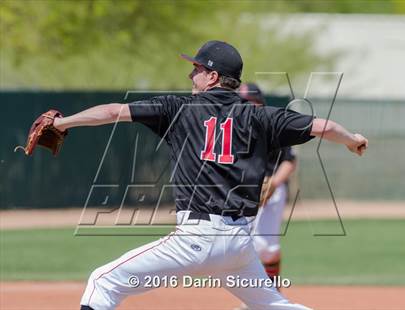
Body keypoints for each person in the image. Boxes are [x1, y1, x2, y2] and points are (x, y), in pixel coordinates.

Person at [49, 40, 367, 310]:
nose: (192, 73)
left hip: (195, 240)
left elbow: (113, 111)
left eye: (198, 69)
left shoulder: (177, 108)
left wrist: (61, 124)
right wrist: (352, 140)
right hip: (239, 245)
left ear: (213, 76)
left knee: (103, 283)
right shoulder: (263, 116)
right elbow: (323, 127)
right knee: (273, 305)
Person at [239, 83, 296, 284]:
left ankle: (270, 294)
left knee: (266, 247)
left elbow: (289, 161)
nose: (245, 107)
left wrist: (273, 183)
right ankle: (258, 297)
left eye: (249, 103)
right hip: (239, 190)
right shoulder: (230, 127)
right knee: (241, 246)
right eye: (241, 103)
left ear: (260, 103)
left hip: (271, 189)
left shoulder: (274, 126)